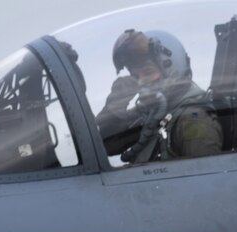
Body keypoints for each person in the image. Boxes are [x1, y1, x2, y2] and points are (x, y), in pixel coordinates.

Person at [95, 30, 223, 164]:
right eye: (135, 76)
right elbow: (107, 146)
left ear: (173, 69)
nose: (141, 81)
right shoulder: (150, 113)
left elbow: (204, 173)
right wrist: (116, 104)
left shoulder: (193, 119)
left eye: (148, 72)